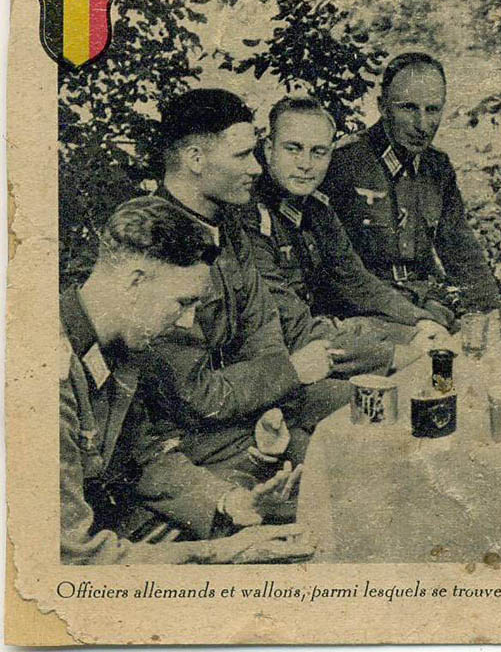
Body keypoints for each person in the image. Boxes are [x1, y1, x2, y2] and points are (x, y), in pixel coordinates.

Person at [61, 196, 313, 564]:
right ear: (135, 281)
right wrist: (215, 553)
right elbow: (75, 559)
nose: (186, 321)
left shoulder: (117, 347)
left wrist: (229, 501)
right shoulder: (47, 372)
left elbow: (143, 456)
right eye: (183, 302)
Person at [141, 88, 350, 495]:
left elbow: (263, 328)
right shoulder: (155, 242)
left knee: (374, 412)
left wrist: (277, 395)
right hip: (196, 441)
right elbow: (195, 397)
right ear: (195, 159)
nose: (256, 168)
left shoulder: (227, 225)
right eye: (241, 156)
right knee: (338, 482)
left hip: (259, 406)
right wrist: (289, 374)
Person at [246, 95, 451, 364]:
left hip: (324, 339)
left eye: (318, 152)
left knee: (434, 346)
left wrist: (420, 320)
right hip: (282, 358)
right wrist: (398, 350)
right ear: (269, 149)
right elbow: (291, 325)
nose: (305, 164)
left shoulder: (317, 209)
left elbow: (356, 280)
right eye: (293, 149)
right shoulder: (251, 217)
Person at [323, 52, 501, 318]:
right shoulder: (344, 162)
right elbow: (333, 268)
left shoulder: (437, 167)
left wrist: (491, 314)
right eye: (408, 108)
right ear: (383, 107)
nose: (422, 125)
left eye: (432, 110)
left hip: (427, 301)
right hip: (364, 310)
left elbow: (462, 253)